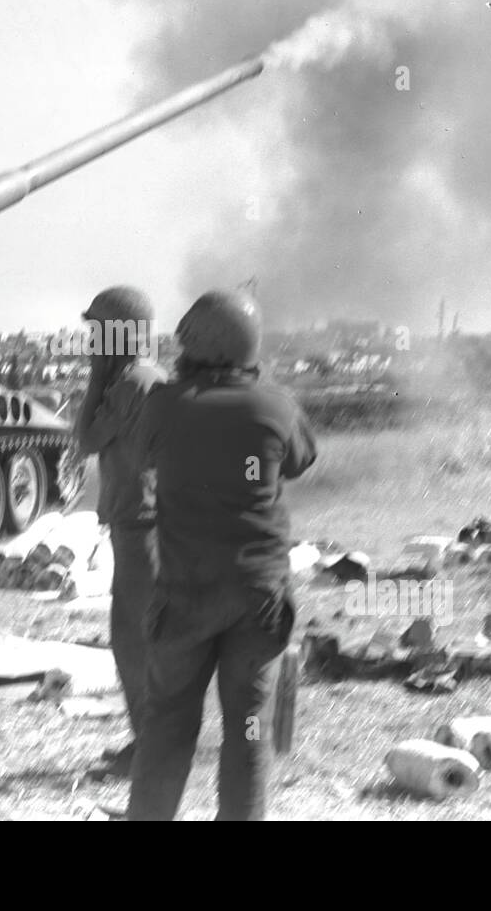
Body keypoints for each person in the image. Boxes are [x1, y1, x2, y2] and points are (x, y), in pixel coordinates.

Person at [128, 289, 317, 821]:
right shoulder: (276, 406)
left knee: (167, 722)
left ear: (196, 349)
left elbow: (143, 453)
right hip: (259, 594)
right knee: (249, 725)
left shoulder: (164, 405)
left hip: (186, 594)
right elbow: (299, 460)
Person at [74, 286, 165, 781]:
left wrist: (95, 373)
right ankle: (150, 744)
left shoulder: (131, 382)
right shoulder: (144, 377)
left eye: (96, 332)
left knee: (133, 641)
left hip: (142, 527)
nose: (90, 341)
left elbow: (87, 436)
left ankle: (152, 749)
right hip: (142, 523)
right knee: (140, 639)